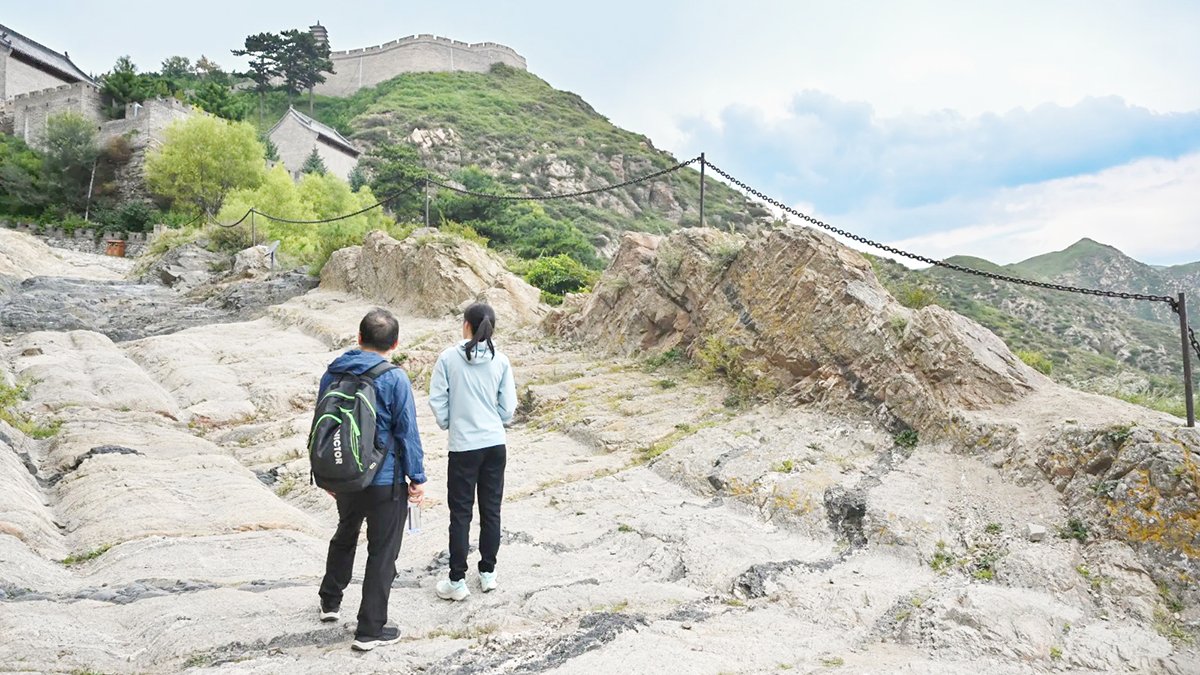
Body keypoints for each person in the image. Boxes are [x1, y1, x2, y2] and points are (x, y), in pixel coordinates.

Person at [316, 308, 426, 651]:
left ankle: (330, 602)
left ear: (359, 337)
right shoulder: (395, 378)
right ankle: (369, 630)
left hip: (345, 473)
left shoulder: (333, 372)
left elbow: (323, 421)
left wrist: (328, 472)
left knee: (345, 533)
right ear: (394, 343)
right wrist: (417, 477)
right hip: (385, 480)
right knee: (382, 552)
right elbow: (407, 431)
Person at [428, 303, 517, 601]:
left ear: (467, 324)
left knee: (461, 514)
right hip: (494, 444)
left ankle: (457, 581)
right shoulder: (501, 361)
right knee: (491, 511)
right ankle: (488, 573)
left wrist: (449, 423)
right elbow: (508, 408)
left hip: (464, 447)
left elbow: (437, 400)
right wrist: (495, 422)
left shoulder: (448, 359)